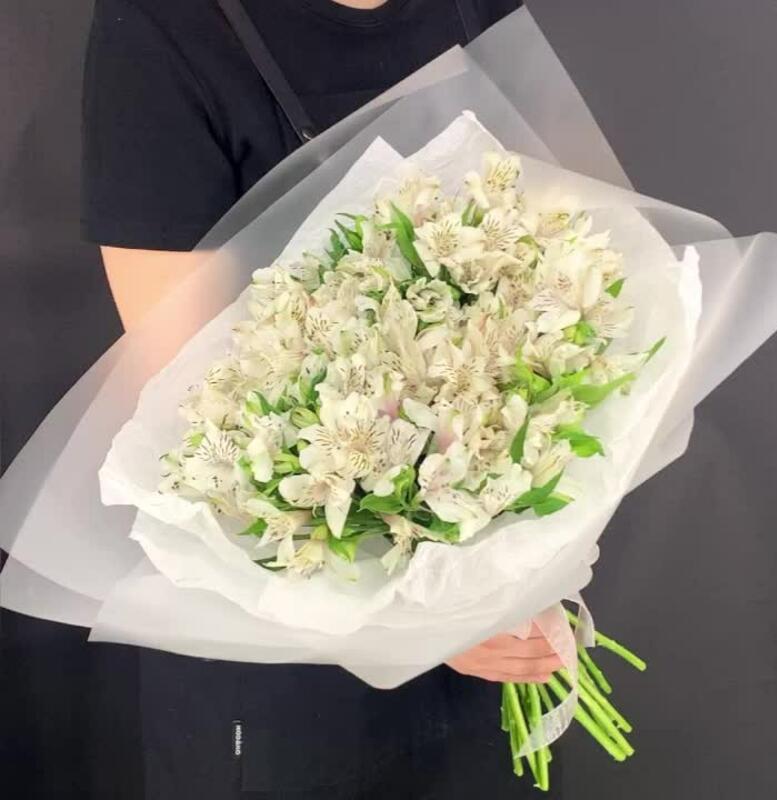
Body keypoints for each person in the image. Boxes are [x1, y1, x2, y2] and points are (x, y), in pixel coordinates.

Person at [81, 2, 563, 797]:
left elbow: (538, 270)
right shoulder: (164, 28)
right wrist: (424, 615)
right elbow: (189, 410)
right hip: (281, 641)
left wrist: (523, 564)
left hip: (481, 633)